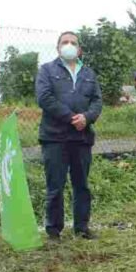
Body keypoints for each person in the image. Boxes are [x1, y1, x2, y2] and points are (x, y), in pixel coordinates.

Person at [36, 31, 103, 241]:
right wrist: (71, 117)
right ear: (58, 48)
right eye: (65, 42)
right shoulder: (46, 70)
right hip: (54, 138)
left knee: (81, 185)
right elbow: (44, 98)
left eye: (73, 42)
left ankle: (82, 228)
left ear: (79, 49)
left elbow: (97, 101)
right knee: (55, 186)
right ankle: (54, 230)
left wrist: (87, 118)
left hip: (82, 138)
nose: (69, 45)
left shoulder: (89, 74)